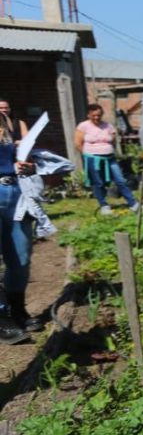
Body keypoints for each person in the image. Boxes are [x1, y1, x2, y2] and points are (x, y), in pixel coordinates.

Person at [0, 110, 42, 343]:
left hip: (16, 192)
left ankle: (18, 310)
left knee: (21, 257)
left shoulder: (6, 125)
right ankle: (1, 317)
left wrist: (28, 165)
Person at [0, 100, 55, 239]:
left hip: (20, 164)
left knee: (29, 196)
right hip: (7, 171)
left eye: (6, 107)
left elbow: (28, 140)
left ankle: (38, 224)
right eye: (1, 108)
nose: (3, 110)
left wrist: (21, 146)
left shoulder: (18, 123)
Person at [75, 104, 139, 215]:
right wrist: (88, 154)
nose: (96, 117)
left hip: (109, 158)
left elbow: (113, 141)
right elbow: (78, 143)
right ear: (89, 115)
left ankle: (133, 203)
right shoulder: (83, 126)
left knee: (120, 180)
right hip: (93, 158)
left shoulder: (108, 126)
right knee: (98, 182)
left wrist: (107, 149)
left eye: (99, 115)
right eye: (93, 115)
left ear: (102, 114)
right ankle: (104, 205)